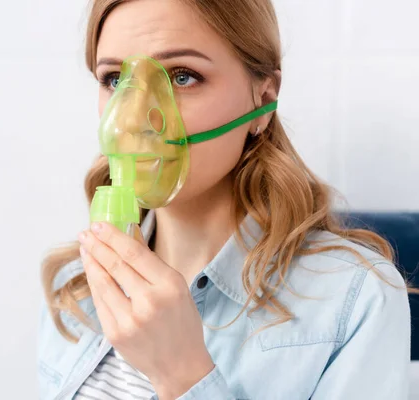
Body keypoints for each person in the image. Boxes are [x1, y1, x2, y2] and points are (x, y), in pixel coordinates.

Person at [37, 0, 412, 399]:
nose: (130, 119)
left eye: (182, 76)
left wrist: (183, 376)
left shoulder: (353, 300)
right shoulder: (76, 289)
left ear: (262, 100)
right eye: (115, 80)